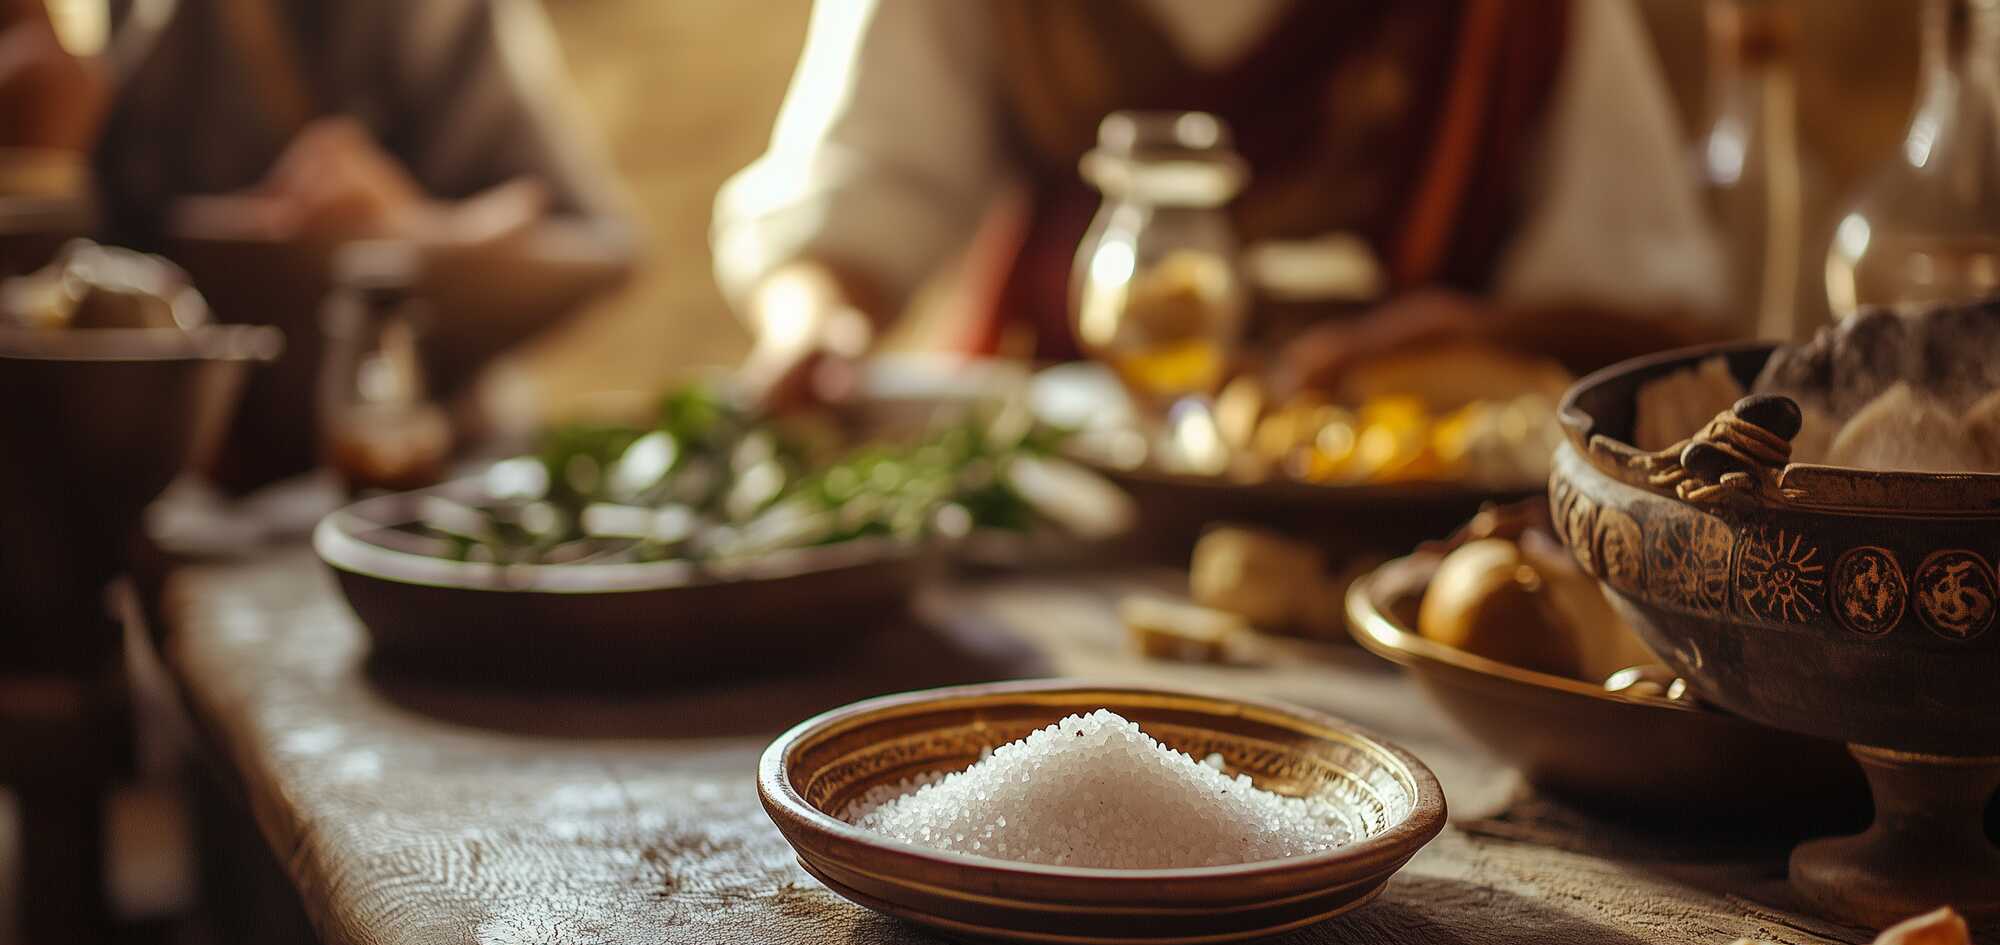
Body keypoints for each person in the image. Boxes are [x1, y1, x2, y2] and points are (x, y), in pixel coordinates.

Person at [714, 0, 1728, 409]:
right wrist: (816, 331)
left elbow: (1643, 306)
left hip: (1397, 539)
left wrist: (1473, 341)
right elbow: (858, 190)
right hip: (1062, 505)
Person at [2, 0, 638, 487]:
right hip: (166, 510)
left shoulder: (406, 16)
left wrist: (418, 234)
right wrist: (37, 176)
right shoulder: (75, 32)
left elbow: (602, 246)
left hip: (417, 481)